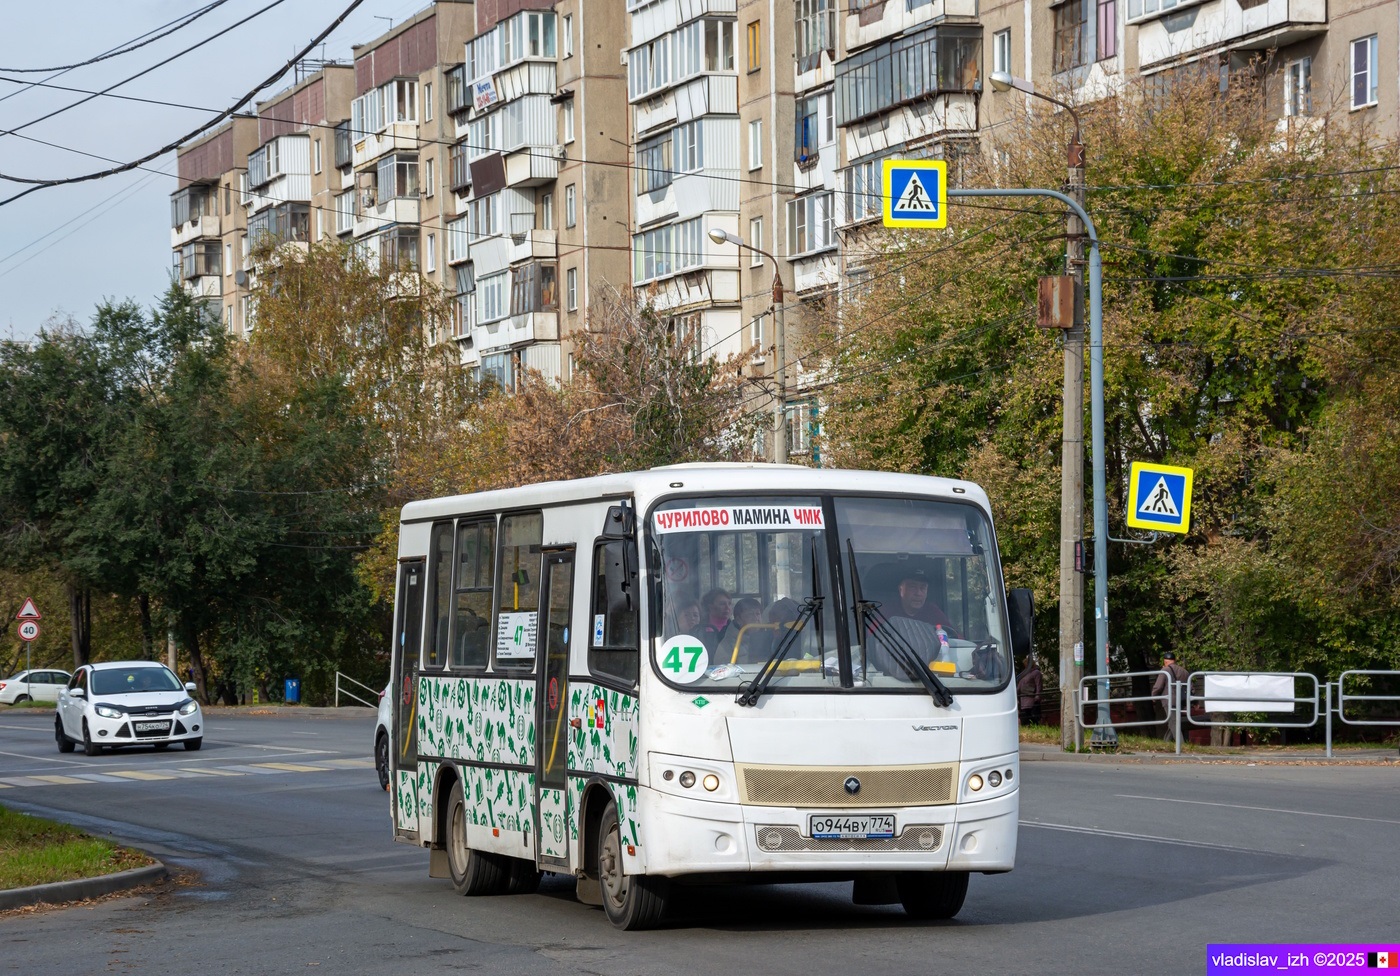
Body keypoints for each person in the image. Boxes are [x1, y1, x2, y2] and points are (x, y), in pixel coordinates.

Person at [1152, 651, 1188, 740]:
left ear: (1165, 661)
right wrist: (1195, 701)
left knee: (1173, 722)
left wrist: (1153, 696)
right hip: (1182, 700)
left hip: (1169, 700)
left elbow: (1158, 685)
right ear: (1174, 660)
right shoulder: (1184, 671)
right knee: (1173, 721)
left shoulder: (1165, 670)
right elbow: (1190, 687)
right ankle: (1166, 742)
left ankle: (1181, 745)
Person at [1017, 655, 1043, 724]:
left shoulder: (1036, 673)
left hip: (1031, 699)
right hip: (1023, 699)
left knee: (1032, 716)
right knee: (1025, 717)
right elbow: (1019, 685)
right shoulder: (1024, 674)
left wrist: (1037, 696)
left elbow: (1038, 685)